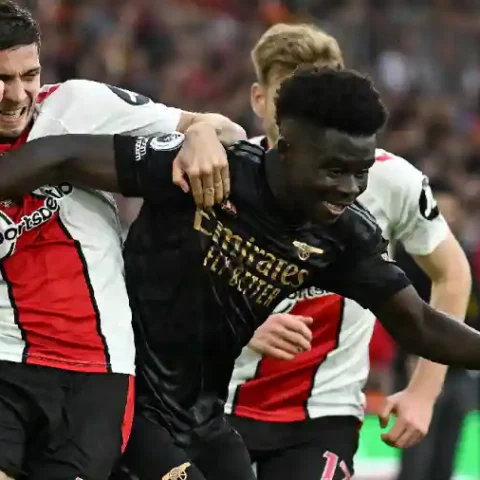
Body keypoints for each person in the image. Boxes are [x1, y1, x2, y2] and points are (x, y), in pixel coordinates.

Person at [2, 67, 480, 480]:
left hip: (203, 418)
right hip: (127, 402)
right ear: (287, 149)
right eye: (334, 170)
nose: (350, 188)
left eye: (360, 172)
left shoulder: (342, 237)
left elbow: (418, 324)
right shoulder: (208, 168)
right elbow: (62, 155)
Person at [0, 2, 244, 479]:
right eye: (1, 79)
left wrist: (200, 135)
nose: (17, 94)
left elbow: (225, 128)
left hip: (95, 371)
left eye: (29, 75)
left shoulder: (78, 105)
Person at [224, 24, 472, 480]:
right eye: (287, 97)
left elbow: (452, 274)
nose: (305, 112)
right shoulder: (223, 170)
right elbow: (166, 278)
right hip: (217, 403)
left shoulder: (391, 180)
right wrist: (237, 321)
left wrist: (423, 392)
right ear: (259, 99)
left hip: (323, 415)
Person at [394, 179, 479, 480]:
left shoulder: (466, 256)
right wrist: (410, 355)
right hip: (418, 363)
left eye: (452, 212)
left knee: (446, 456)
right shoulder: (408, 258)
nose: (447, 220)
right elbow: (400, 312)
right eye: (441, 213)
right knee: (417, 458)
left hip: (459, 369)